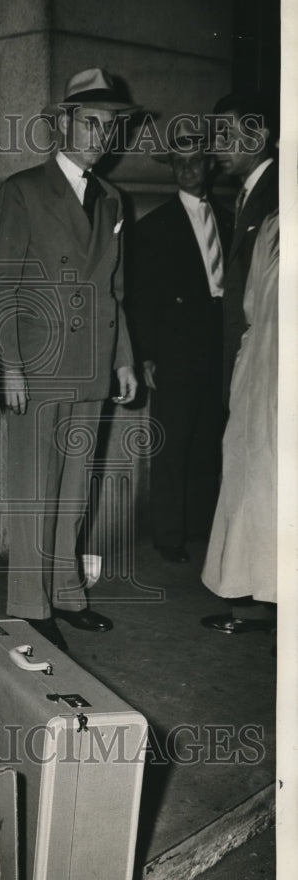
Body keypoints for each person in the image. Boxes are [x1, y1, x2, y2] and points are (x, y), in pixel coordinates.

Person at [0, 67, 139, 651]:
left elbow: (113, 289)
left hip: (93, 363)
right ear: (63, 123)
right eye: (92, 123)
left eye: (111, 127)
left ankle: (67, 593)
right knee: (34, 491)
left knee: (74, 492)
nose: (101, 136)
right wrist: (11, 365)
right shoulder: (22, 190)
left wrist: (123, 358)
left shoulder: (114, 199)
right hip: (40, 364)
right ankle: (28, 604)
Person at [131, 122, 232, 564]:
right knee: (172, 440)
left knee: (210, 436)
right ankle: (169, 534)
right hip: (174, 346)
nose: (188, 169)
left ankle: (201, 525)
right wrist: (146, 354)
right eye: (180, 161)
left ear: (210, 164)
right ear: (172, 167)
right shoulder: (155, 226)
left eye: (196, 160)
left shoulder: (229, 219)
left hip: (220, 342)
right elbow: (140, 296)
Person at [200, 210, 278, 634]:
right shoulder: (273, 225)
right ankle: (258, 601)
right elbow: (251, 303)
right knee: (255, 485)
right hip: (264, 368)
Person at [211, 92, 278, 407]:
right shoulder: (246, 196)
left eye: (228, 135)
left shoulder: (278, 196)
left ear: (259, 136)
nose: (218, 146)